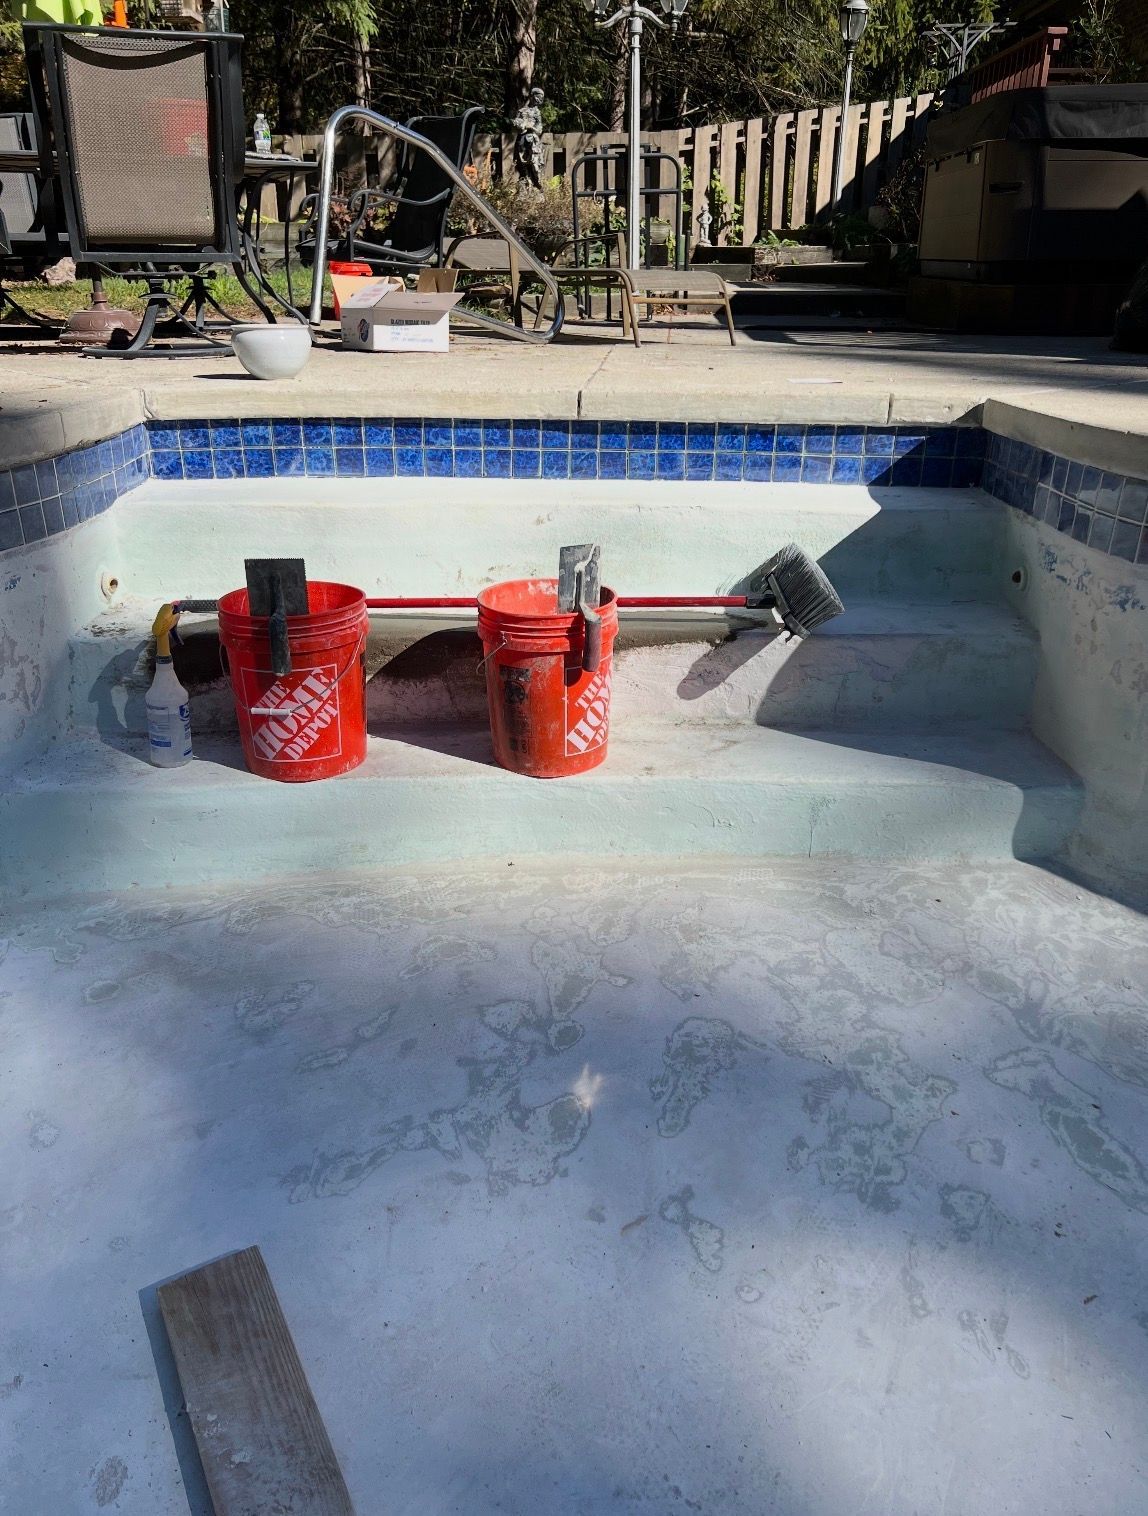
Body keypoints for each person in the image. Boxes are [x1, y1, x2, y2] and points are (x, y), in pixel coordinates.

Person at [512, 86, 546, 190]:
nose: (538, 101)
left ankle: (536, 186)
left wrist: (533, 128)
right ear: (532, 97)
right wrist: (523, 125)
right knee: (523, 165)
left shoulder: (537, 113)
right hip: (523, 141)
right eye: (537, 97)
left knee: (535, 165)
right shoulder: (522, 111)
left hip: (534, 143)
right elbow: (516, 123)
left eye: (540, 99)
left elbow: (539, 128)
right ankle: (526, 186)